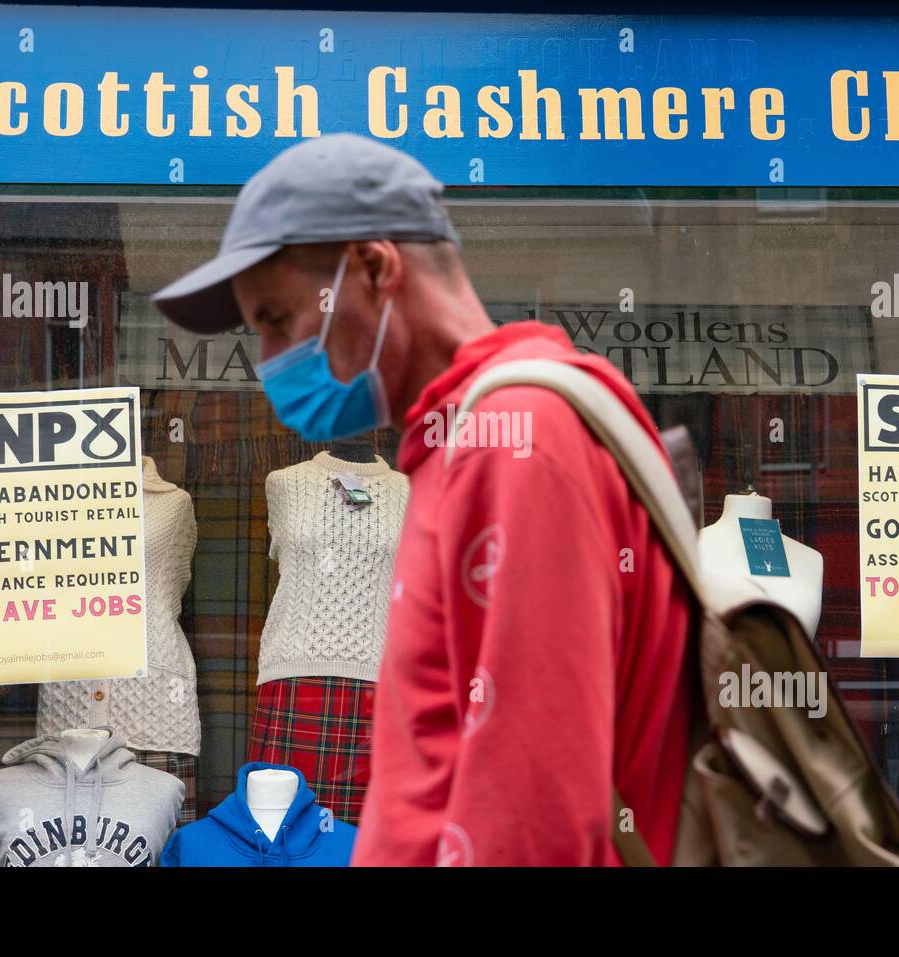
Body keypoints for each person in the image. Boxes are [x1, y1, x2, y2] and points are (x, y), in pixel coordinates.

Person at [153, 133, 691, 866]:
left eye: (280, 320)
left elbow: (541, 801)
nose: (274, 361)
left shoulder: (516, 438)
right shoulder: (470, 441)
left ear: (373, 267)